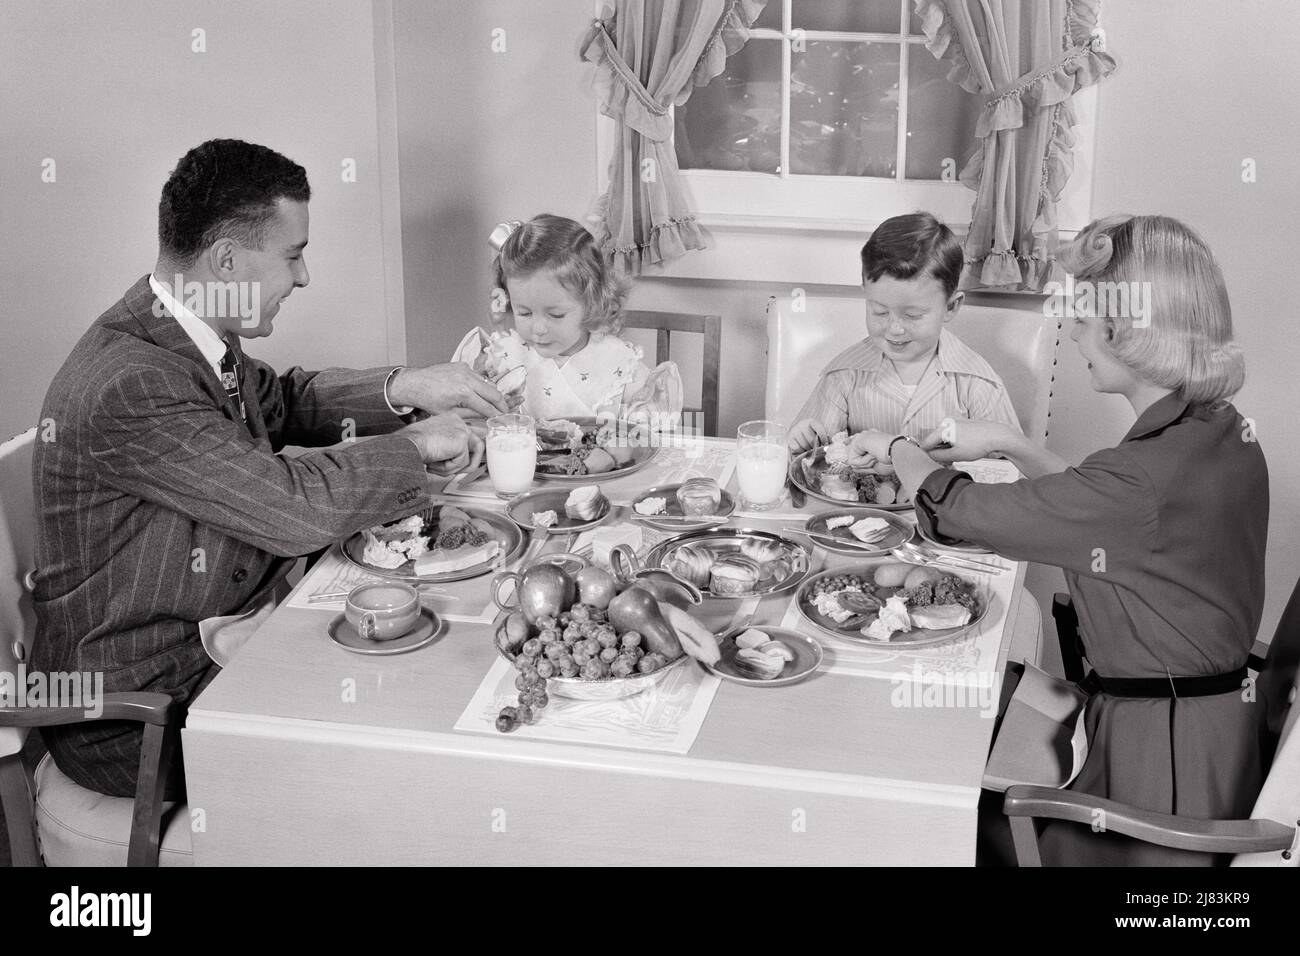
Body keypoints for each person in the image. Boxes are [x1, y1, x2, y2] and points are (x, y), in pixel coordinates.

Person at [30, 139, 504, 798]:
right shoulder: (132, 382)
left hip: (216, 636)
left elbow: (284, 401)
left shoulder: (185, 329)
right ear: (227, 259)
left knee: (434, 660)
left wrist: (409, 385)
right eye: (293, 255)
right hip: (140, 712)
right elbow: (293, 509)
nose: (304, 277)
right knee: (405, 735)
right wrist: (417, 446)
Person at [846, 214, 1266, 865]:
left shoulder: (1140, 482)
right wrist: (1013, 444)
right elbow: (1102, 511)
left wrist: (900, 448)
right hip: (1202, 732)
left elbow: (957, 512)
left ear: (1128, 331)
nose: (1071, 332)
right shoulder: (1217, 430)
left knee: (917, 783)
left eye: (1082, 317)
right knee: (955, 707)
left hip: (1155, 782)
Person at [787, 212, 1021, 454]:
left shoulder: (978, 384)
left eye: (913, 315)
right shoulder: (844, 376)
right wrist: (802, 443)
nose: (895, 329)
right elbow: (808, 460)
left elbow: (1012, 471)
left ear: (950, 307)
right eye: (879, 311)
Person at [455, 214, 683, 430]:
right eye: (524, 313)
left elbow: (647, 429)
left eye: (555, 315)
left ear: (592, 303)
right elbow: (469, 419)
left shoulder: (617, 362)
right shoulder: (503, 356)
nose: (538, 329)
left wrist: (638, 421)